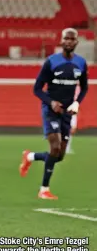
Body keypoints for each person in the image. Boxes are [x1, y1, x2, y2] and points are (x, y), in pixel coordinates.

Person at [19, 28, 88, 200]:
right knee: (55, 147)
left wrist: (77, 102)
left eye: (72, 39)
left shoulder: (81, 63)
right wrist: (51, 103)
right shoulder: (51, 62)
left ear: (76, 42)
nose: (69, 42)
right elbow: (36, 89)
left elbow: (85, 86)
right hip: (50, 111)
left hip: (67, 113)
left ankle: (29, 156)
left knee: (59, 156)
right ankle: (44, 189)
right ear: (61, 40)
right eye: (66, 38)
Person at [66, 85, 81, 154]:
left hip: (73, 110)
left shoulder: (78, 88)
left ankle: (67, 147)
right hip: (65, 109)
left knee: (71, 129)